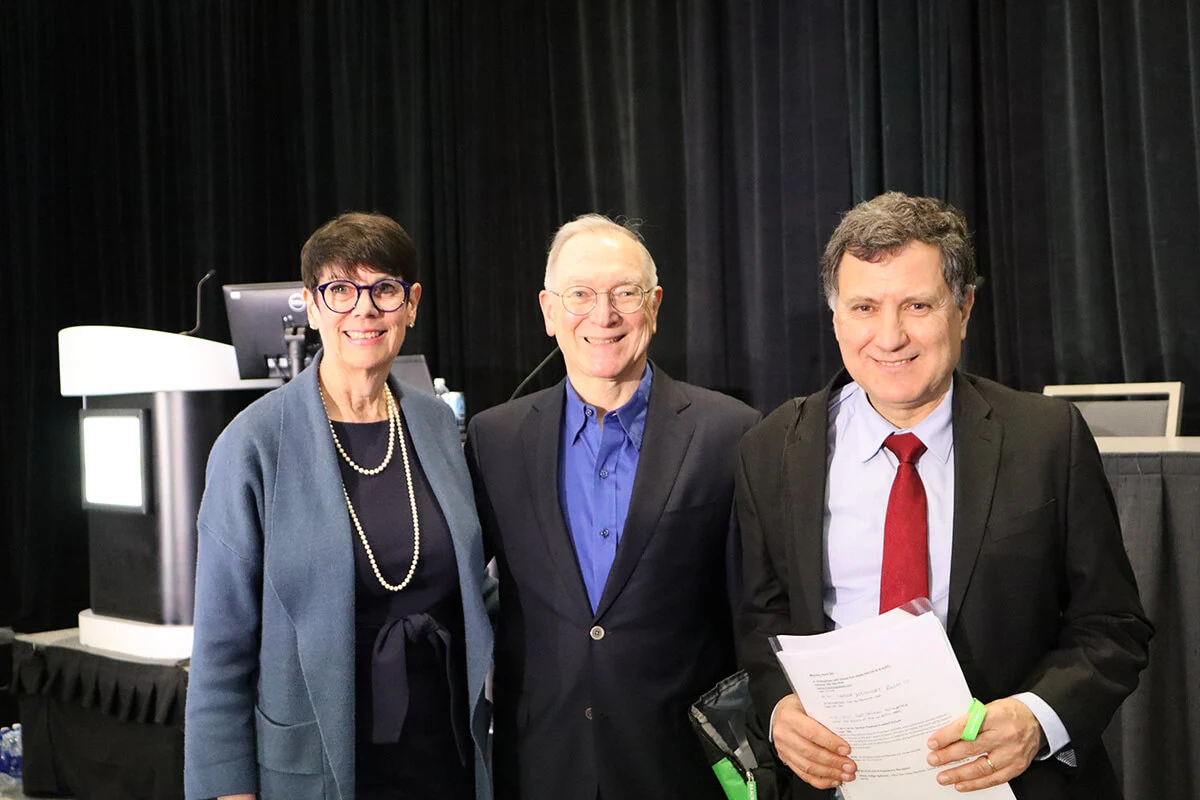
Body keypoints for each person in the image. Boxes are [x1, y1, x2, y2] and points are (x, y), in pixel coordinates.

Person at [736, 192, 1152, 799]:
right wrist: (779, 710)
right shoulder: (772, 447)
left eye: (917, 305)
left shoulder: (1046, 439)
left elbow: (1114, 625)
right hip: (844, 782)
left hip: (1012, 781)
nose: (890, 336)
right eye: (863, 307)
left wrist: (1037, 720)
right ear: (835, 318)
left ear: (964, 308)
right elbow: (760, 621)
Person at [185, 212, 494, 800]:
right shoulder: (253, 444)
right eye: (340, 290)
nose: (364, 309)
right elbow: (220, 655)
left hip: (443, 753)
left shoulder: (434, 425)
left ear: (412, 303)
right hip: (320, 761)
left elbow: (472, 585)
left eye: (384, 289)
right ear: (311, 304)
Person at [465, 214, 760, 799]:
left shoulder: (730, 432)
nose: (603, 316)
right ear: (549, 311)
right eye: (580, 295)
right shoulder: (493, 440)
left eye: (624, 293)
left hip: (681, 766)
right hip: (541, 765)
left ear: (653, 304)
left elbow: (753, 609)